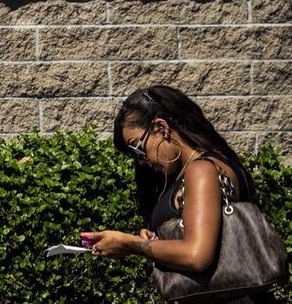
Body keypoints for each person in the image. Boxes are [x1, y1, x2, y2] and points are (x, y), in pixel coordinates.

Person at [83, 86, 272, 303]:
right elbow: (207, 237)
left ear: (161, 128)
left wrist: (131, 244)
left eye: (137, 148)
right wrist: (161, 239)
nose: (141, 161)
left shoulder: (201, 170)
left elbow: (196, 255)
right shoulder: (209, 165)